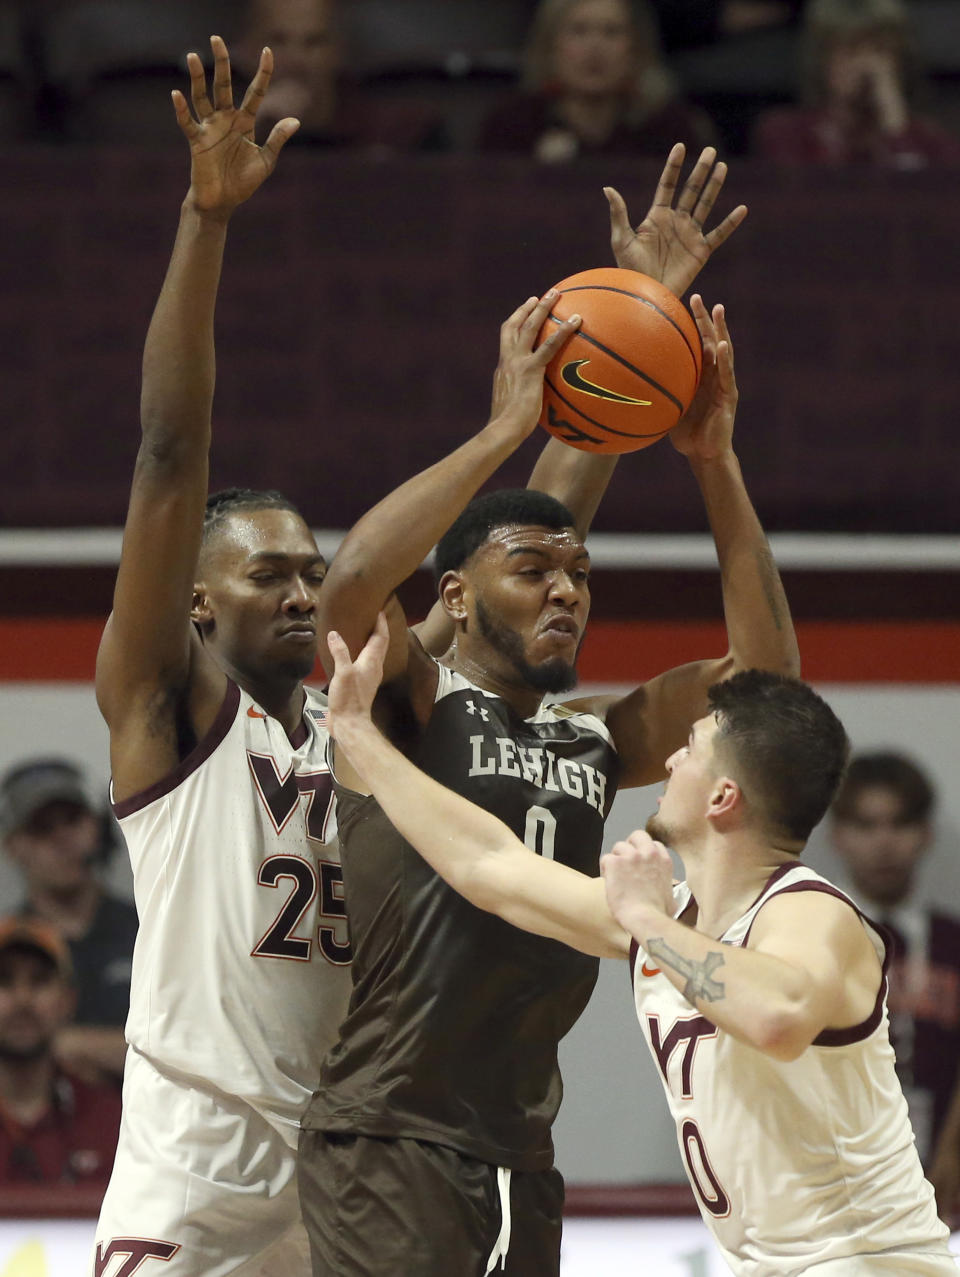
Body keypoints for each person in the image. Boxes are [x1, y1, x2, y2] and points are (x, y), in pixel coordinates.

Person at [88, 34, 664, 1276]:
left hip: (357, 1159)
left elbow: (541, 539)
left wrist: (630, 355)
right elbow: (166, 453)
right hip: (198, 1173)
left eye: (313, 569)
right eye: (270, 573)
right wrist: (204, 221)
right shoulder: (166, 716)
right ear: (195, 602)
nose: (304, 589)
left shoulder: (382, 717)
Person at [297, 153, 796, 1272]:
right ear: (460, 594)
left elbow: (769, 689)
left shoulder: (595, 734)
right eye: (534, 570)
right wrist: (500, 430)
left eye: (581, 576)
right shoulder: (416, 703)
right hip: (391, 1128)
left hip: (519, 1140)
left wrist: (712, 460)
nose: (566, 588)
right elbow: (349, 590)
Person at [321, 619, 957, 1275]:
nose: (673, 760)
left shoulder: (810, 909)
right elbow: (490, 866)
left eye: (691, 746)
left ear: (722, 795)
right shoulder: (670, 915)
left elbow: (778, 1016)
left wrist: (649, 925)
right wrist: (359, 737)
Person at [827, 751, 960, 1169]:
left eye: (900, 824)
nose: (884, 843)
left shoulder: (952, 942)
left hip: (944, 1170)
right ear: (837, 835)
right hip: (836, 1170)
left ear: (925, 833)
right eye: (866, 825)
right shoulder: (811, 934)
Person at [0, 757, 136, 1085]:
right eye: (42, 829)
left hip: (151, 1126)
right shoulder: (7, 945)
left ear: (97, 827)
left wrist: (65, 1043)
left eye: (73, 820)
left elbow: (192, 1047)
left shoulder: (149, 928)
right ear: (13, 846)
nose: (62, 839)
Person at [477, 0, 715, 162]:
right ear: (551, 46)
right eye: (579, 31)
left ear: (635, 49)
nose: (595, 49)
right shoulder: (511, 125)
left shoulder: (670, 128)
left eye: (612, 32)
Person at [753, 0, 960, 167]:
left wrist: (896, 130)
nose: (867, 66)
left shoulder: (932, 142)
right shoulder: (785, 133)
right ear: (822, 59)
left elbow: (922, 205)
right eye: (852, 51)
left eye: (880, 51)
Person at [0, 916, 122, 1186]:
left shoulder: (113, 1121)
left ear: (68, 1001)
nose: (23, 999)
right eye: (5, 980)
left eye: (39, 981)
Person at [236, 0, 446, 152]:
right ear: (247, 50)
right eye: (278, 40)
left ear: (339, 50)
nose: (296, 60)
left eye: (314, 42)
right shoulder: (215, 132)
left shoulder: (402, 132)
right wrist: (251, 131)